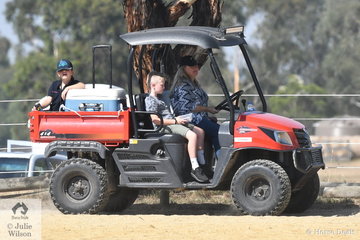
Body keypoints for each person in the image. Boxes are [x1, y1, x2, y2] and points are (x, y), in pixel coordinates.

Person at [145, 71, 209, 183]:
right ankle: (195, 168)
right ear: (153, 85)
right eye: (162, 85)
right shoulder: (150, 100)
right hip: (163, 126)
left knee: (200, 132)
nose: (164, 87)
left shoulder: (161, 98)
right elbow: (155, 119)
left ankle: (202, 163)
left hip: (172, 122)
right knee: (193, 136)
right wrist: (175, 121)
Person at [170, 56, 221, 159]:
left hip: (198, 118)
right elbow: (188, 106)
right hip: (188, 118)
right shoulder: (183, 85)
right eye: (192, 66)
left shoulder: (194, 84)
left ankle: (211, 162)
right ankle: (221, 162)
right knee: (219, 132)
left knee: (220, 128)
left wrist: (208, 114)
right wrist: (208, 109)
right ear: (184, 68)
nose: (196, 68)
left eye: (197, 66)